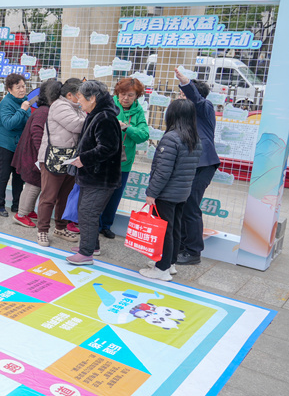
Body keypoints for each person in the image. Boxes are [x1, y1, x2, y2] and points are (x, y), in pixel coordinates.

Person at [140, 99, 202, 281]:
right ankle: (170, 263)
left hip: (166, 193)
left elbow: (162, 171)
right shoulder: (195, 138)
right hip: (182, 193)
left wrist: (152, 193)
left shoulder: (171, 138)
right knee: (173, 228)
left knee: (164, 230)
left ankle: (162, 269)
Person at [67, 80, 123, 266]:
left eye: (81, 98)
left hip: (101, 177)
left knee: (88, 212)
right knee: (85, 210)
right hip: (91, 175)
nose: (78, 101)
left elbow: (108, 147)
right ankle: (92, 246)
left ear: (92, 99)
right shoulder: (96, 114)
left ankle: (86, 253)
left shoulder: (105, 117)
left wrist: (84, 158)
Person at [175, 69, 221, 266]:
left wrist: (186, 82)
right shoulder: (184, 114)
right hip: (188, 164)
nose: (180, 97)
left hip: (203, 165)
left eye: (183, 94)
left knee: (191, 206)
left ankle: (193, 252)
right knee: (182, 205)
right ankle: (181, 246)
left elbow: (197, 99)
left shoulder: (205, 108)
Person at [99, 78, 151, 239]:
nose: (125, 98)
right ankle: (92, 223)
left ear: (137, 96)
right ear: (117, 93)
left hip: (124, 161)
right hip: (104, 159)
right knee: (98, 193)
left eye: (130, 95)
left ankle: (106, 225)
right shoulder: (108, 104)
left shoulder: (138, 111)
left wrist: (127, 127)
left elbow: (144, 135)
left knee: (115, 195)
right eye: (122, 94)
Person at [36, 78, 84, 246]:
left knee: (64, 196)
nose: (82, 98)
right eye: (80, 95)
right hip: (53, 158)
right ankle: (42, 231)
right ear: (70, 94)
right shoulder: (60, 106)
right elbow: (77, 126)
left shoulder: (76, 107)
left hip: (69, 158)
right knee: (48, 197)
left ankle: (60, 227)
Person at [13, 79, 60, 238]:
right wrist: (43, 155)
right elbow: (37, 134)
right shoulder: (44, 112)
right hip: (34, 156)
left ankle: (28, 211)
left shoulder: (43, 110)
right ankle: (21, 214)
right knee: (33, 184)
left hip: (33, 154)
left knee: (35, 184)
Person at [0, 73, 31, 220]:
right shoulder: (6, 103)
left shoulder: (25, 101)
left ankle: (17, 205)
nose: (22, 90)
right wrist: (22, 110)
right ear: (10, 89)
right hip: (5, 144)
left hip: (20, 145)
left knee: (18, 176)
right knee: (3, 175)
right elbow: (9, 124)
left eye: (23, 86)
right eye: (18, 87)